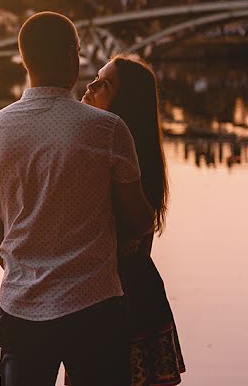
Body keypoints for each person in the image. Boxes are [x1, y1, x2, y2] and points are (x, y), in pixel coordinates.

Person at [0, 12, 156, 385]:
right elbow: (139, 220)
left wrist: (24, 269)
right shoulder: (106, 129)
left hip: (21, 306)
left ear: (25, 60)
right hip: (95, 309)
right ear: (73, 57)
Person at [67, 55, 185, 385]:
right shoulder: (109, 148)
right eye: (95, 77)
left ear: (125, 102)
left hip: (124, 306)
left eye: (104, 83)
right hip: (116, 299)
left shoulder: (121, 156)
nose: (90, 86)